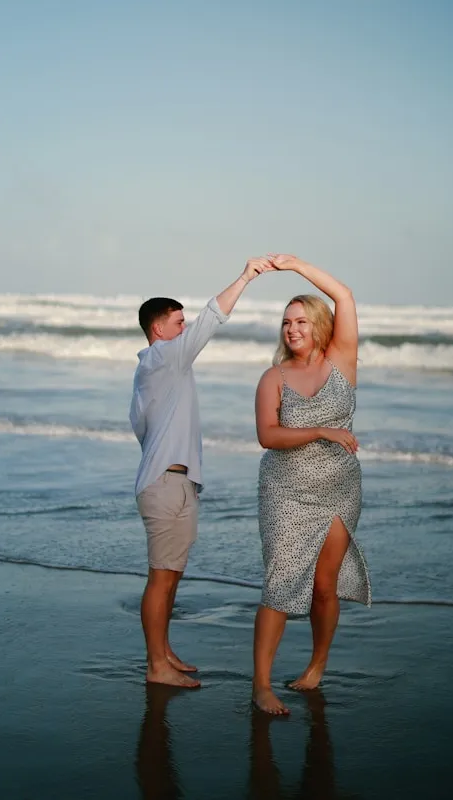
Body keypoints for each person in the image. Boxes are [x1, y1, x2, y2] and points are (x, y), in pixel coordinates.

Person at [130, 257, 274, 688]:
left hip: (173, 481)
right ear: (159, 329)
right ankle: (156, 666)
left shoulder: (156, 369)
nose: (184, 328)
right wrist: (246, 276)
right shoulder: (164, 357)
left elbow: (142, 429)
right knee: (161, 578)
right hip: (165, 483)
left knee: (170, 576)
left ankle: (163, 652)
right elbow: (212, 318)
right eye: (178, 322)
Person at [252, 254, 371, 714]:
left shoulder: (342, 361)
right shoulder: (274, 377)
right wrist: (321, 431)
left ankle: (317, 665)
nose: (292, 329)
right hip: (285, 491)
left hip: (339, 488)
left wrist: (296, 265)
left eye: (301, 321)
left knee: (325, 585)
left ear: (320, 325)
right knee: (280, 583)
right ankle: (261, 686)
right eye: (286, 322)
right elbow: (268, 436)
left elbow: (344, 294)